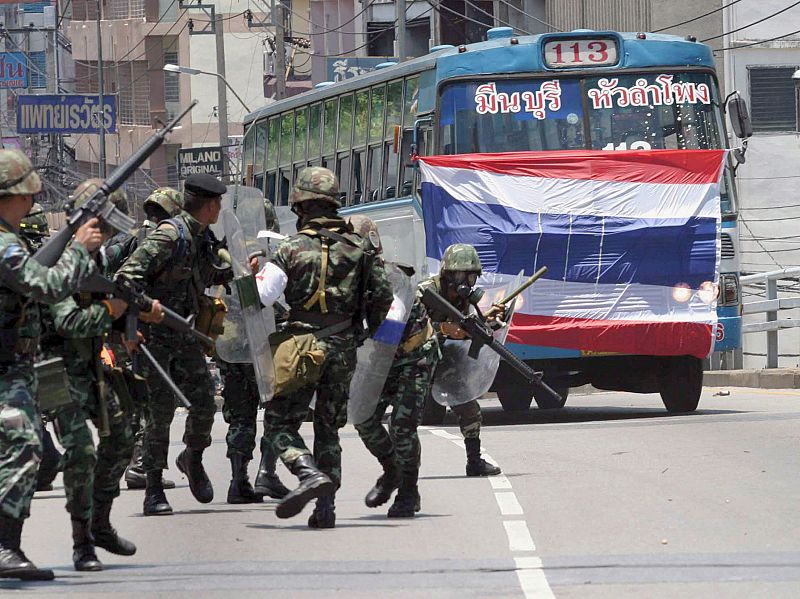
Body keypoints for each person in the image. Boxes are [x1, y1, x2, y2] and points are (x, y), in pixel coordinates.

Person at [254, 166, 393, 528]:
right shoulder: (359, 249)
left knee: (279, 423)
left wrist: (247, 275)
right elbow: (384, 297)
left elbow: (262, 297)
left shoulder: (290, 248)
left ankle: (306, 471)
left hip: (299, 348)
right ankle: (325, 508)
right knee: (328, 427)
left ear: (300, 206)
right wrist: (363, 333)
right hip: (343, 348)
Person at [44, 179, 161, 571]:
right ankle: (82, 543)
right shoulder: (61, 259)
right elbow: (68, 322)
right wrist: (111, 311)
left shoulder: (98, 261)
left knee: (123, 438)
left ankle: (100, 521)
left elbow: (105, 306)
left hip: (93, 368)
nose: (107, 233)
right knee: (81, 452)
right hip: (59, 373)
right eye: (103, 225)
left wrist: (131, 318)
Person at [0, 149, 102, 580]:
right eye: (27, 194)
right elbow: (48, 286)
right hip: (6, 369)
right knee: (25, 447)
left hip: (15, 365)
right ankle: (5, 548)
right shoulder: (5, 245)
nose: (31, 201)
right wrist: (78, 249)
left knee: (24, 448)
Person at [116, 173, 233, 516]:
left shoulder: (202, 237)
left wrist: (237, 267)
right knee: (160, 412)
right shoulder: (169, 236)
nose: (219, 208)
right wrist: (144, 309)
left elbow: (208, 275)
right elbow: (125, 279)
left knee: (204, 403)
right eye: (218, 203)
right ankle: (153, 487)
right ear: (210, 205)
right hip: (154, 338)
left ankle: (192, 457)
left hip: (185, 333)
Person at [349, 215, 438, 518]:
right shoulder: (350, 281)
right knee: (363, 418)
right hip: (381, 360)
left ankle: (408, 491)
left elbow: (391, 326)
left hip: (413, 357)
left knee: (401, 427)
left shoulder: (394, 278)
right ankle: (392, 470)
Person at [110, 188, 183, 492]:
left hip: (121, 330)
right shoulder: (166, 241)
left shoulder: (126, 240)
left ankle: (122, 465)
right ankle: (140, 465)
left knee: (131, 399)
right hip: (147, 330)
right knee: (153, 402)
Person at [221, 198, 289, 504]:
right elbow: (268, 298)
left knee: (240, 415)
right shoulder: (267, 251)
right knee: (276, 409)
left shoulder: (227, 250)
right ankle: (267, 472)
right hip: (262, 342)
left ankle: (238, 480)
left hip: (231, 344)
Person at [420, 243, 502, 477]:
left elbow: (463, 330)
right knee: (405, 415)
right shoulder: (425, 292)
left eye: (471, 277)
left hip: (444, 359)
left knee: (469, 408)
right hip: (415, 360)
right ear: (447, 275)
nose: (465, 282)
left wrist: (488, 322)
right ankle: (396, 466)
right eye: (459, 276)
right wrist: (441, 328)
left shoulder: (463, 300)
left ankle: (474, 462)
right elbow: (404, 325)